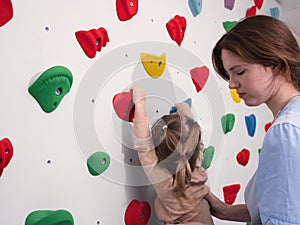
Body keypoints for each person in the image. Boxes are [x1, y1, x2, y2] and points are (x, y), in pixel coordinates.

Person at [185, 15, 300, 225]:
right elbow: (284, 207)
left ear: (274, 64)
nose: (232, 84)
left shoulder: (286, 130)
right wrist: (225, 210)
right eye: (229, 75)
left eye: (239, 72)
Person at [131, 85, 214, 224]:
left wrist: (139, 103)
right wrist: (186, 114)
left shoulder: (163, 179)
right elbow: (194, 143)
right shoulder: (197, 167)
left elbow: (144, 147)